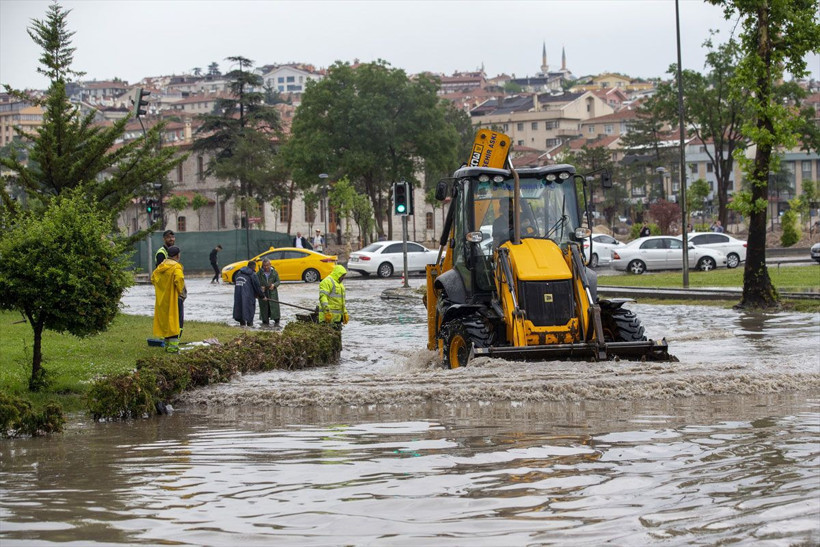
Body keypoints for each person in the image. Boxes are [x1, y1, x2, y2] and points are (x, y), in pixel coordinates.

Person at [150, 245, 185, 353]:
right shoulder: (176, 267)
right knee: (176, 322)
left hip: (162, 299)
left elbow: (153, 278)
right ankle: (173, 348)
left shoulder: (161, 266)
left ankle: (166, 345)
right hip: (174, 299)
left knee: (165, 322)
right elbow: (179, 279)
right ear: (177, 255)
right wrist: (181, 292)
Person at [233, 261, 264, 327]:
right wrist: (262, 296)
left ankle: (242, 327)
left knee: (240, 311)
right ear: (254, 267)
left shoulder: (238, 273)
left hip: (238, 295)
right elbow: (257, 286)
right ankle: (250, 327)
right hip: (248, 296)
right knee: (249, 312)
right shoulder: (253, 274)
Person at [318, 264, 349, 329]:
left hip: (337, 319)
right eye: (342, 276)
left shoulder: (340, 284)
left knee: (337, 337)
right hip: (327, 318)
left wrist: (344, 313)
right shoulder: (327, 281)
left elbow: (341, 302)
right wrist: (327, 311)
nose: (343, 278)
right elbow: (323, 298)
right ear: (338, 274)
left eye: (344, 276)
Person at [257, 259, 281, 326]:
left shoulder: (274, 272)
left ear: (270, 265)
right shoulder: (259, 273)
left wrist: (274, 285)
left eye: (267, 265)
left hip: (272, 293)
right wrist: (260, 287)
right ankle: (265, 321)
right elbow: (256, 283)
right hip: (263, 293)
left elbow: (278, 281)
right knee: (264, 308)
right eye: (264, 266)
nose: (266, 267)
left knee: (274, 307)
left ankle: (276, 321)